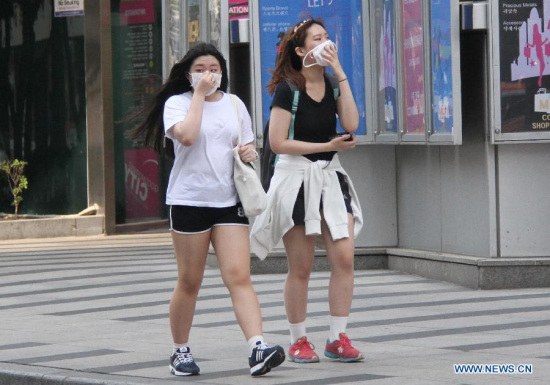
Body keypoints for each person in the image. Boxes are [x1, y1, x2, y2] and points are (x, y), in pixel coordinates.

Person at [130, 42, 285, 376]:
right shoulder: (177, 103)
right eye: (200, 69)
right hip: (189, 200)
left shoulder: (233, 104)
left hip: (229, 201)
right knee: (190, 281)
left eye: (214, 69)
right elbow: (186, 136)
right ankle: (180, 351)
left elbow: (246, 145)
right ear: (188, 74)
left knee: (239, 276)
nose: (208, 74)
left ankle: (257, 346)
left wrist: (248, 154)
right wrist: (198, 95)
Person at [250, 18, 364, 363]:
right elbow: (277, 142)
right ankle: (299, 338)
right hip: (297, 179)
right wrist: (325, 146)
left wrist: (340, 72)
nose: (326, 43)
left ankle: (337, 337)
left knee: (344, 257)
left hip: (330, 177)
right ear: (301, 50)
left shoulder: (331, 83)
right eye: (318, 39)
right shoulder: (288, 88)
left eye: (328, 37)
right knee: (301, 266)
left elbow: (352, 123)